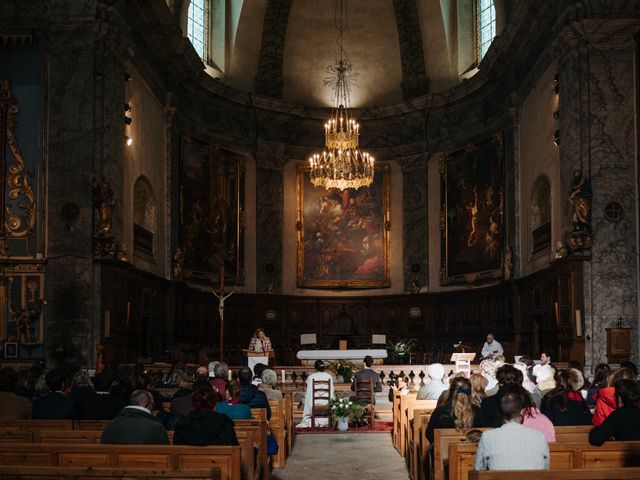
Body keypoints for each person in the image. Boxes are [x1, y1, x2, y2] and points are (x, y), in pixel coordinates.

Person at [474, 388, 550, 471]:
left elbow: (479, 468)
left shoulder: (488, 436)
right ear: (522, 412)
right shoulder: (539, 436)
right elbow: (545, 466)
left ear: (500, 413)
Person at [425, 377, 488, 445]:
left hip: (444, 454)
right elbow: (485, 433)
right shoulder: (477, 411)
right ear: (470, 393)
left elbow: (429, 435)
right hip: (473, 454)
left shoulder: (440, 411)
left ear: (450, 392)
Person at [173, 386, 239, 446]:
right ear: (214, 405)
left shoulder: (182, 427)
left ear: (194, 405)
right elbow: (234, 451)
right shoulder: (224, 425)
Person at [101, 389, 169, 444]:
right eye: (152, 404)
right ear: (146, 405)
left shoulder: (111, 425)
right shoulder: (155, 427)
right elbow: (165, 453)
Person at [589, 379, 640, 445]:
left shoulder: (617, 415)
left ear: (619, 398)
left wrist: (596, 429)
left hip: (625, 453)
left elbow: (596, 438)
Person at [297, 360, 335, 428]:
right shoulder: (329, 376)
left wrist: (308, 411)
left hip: (315, 403)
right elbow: (332, 392)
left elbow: (309, 395)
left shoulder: (311, 377)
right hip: (327, 402)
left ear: (315, 368)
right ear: (324, 367)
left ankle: (314, 421)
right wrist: (331, 403)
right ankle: (326, 421)